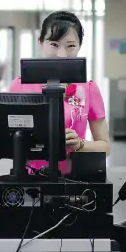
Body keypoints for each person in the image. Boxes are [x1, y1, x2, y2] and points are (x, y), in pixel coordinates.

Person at [9, 11, 111, 175]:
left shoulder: (89, 88)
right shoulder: (19, 86)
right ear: (41, 42)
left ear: (79, 46)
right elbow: (6, 139)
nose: (62, 54)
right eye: (54, 44)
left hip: (75, 179)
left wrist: (80, 144)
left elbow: (105, 147)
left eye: (70, 46)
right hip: (29, 179)